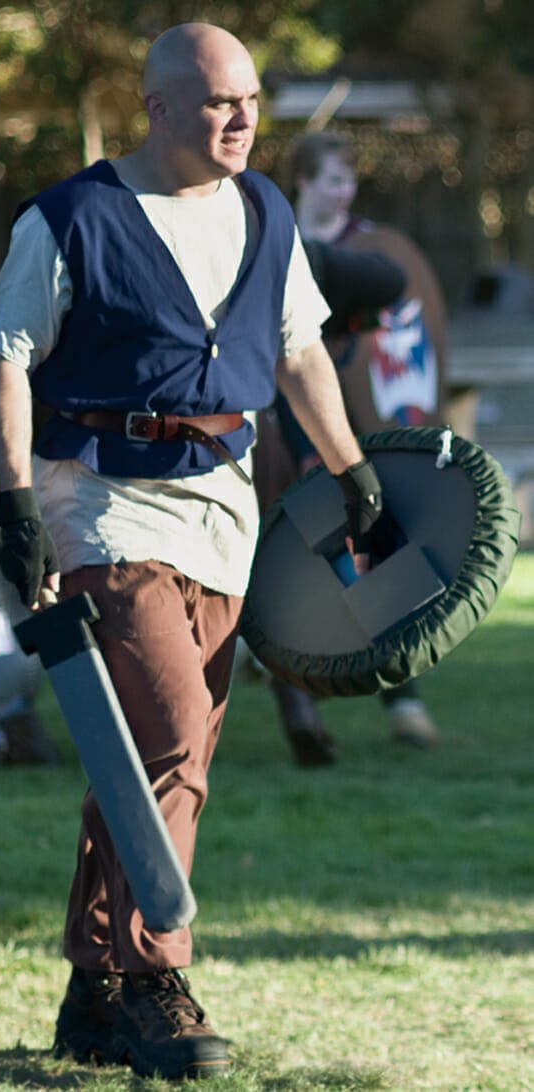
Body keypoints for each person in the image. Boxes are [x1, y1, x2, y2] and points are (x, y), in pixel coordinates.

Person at [0, 23, 388, 1081]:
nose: (241, 119)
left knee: (151, 755)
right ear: (156, 108)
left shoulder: (266, 210)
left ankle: (93, 991)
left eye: (249, 99)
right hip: (101, 499)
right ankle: (156, 978)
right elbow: (4, 357)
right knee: (168, 735)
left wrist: (349, 468)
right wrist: (14, 502)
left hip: (222, 511)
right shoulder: (71, 217)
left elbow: (298, 350)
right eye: (216, 102)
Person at [258, 129, 448, 762]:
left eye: (350, 181)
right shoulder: (267, 242)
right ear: (304, 181)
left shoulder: (367, 256)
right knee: (281, 565)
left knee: (367, 550)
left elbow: (393, 333)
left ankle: (402, 698)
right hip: (273, 430)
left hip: (347, 433)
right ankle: (301, 710)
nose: (344, 192)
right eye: (333, 180)